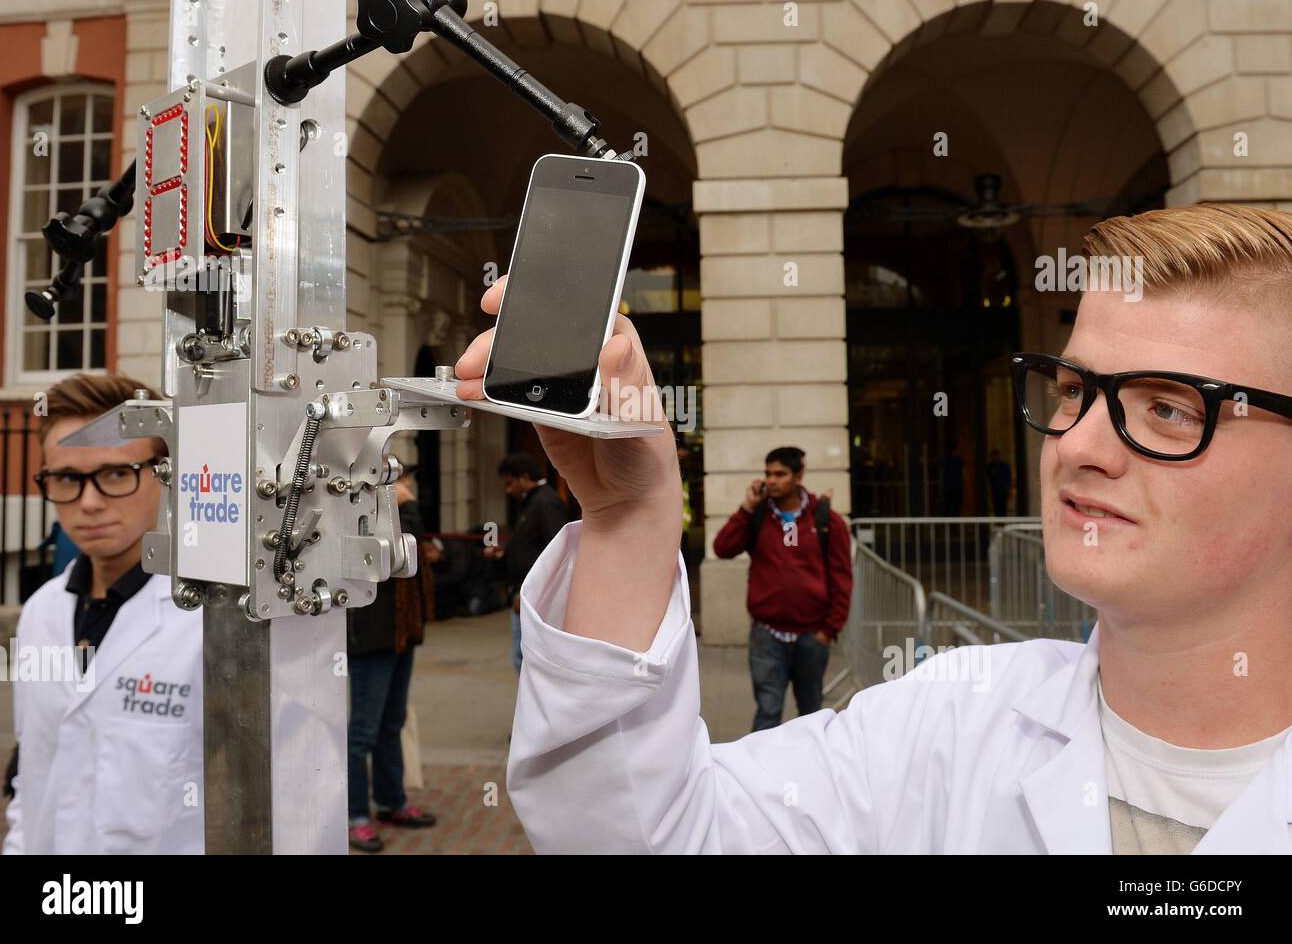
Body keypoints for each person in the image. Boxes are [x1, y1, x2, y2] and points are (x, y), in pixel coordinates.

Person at [456, 203, 1292, 853]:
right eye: (1073, 389)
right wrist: (624, 513)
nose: (1080, 445)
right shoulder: (948, 719)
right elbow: (647, 835)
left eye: (1170, 408)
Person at [3, 374, 204, 854]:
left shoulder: (211, 620)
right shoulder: (41, 612)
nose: (89, 503)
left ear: (165, 472)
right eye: (68, 479)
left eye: (117, 473)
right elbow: (33, 771)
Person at [712, 447, 852, 731]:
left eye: (780, 474)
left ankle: (810, 772)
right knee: (768, 711)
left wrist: (829, 630)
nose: (772, 480)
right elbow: (722, 548)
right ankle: (760, 773)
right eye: (768, 474)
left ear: (798, 476)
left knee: (811, 715)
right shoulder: (758, 515)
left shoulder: (826, 520)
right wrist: (747, 508)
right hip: (768, 636)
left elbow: (841, 577)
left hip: (812, 637)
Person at [346, 478, 437, 853]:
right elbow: (400, 549)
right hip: (372, 637)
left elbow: (417, 554)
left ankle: (390, 802)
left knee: (392, 723)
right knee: (363, 732)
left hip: (401, 632)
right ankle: (355, 817)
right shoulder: (358, 506)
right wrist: (407, 504)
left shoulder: (391, 506)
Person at [484, 453, 566, 674]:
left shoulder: (545, 502)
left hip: (531, 598)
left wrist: (528, 594)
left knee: (527, 662)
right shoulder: (534, 502)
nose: (508, 490)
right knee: (523, 660)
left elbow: (554, 551)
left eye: (510, 483)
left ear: (524, 477)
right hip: (526, 594)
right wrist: (505, 554)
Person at [986, 448, 1012, 516]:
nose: (995, 457)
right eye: (993, 456)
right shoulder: (990, 466)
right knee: (996, 506)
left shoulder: (1004, 466)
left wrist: (1008, 489)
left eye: (996, 455)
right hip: (995, 490)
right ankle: (998, 522)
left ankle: (1002, 522)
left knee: (1003, 506)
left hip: (1003, 489)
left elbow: (1008, 478)